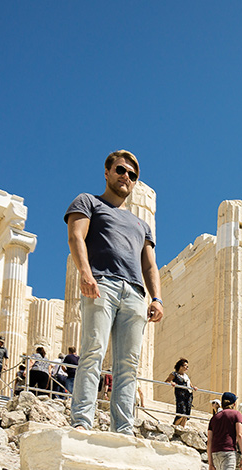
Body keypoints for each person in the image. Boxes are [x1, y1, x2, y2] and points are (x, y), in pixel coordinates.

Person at [65, 150, 163, 435]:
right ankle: (82, 420)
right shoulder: (88, 202)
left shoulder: (141, 224)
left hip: (134, 293)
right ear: (107, 172)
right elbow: (75, 236)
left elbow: (150, 264)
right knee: (93, 351)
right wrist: (85, 272)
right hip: (102, 283)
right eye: (121, 170)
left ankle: (124, 428)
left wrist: (156, 298)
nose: (126, 178)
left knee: (128, 364)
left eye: (132, 175)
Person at [165, 359, 195, 427]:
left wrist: (194, 387)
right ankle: (174, 426)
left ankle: (182, 428)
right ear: (181, 366)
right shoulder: (174, 374)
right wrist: (172, 383)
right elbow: (167, 381)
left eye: (187, 366)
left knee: (186, 414)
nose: (187, 368)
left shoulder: (186, 376)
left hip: (188, 395)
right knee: (181, 413)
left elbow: (191, 385)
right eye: (185, 366)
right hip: (180, 395)